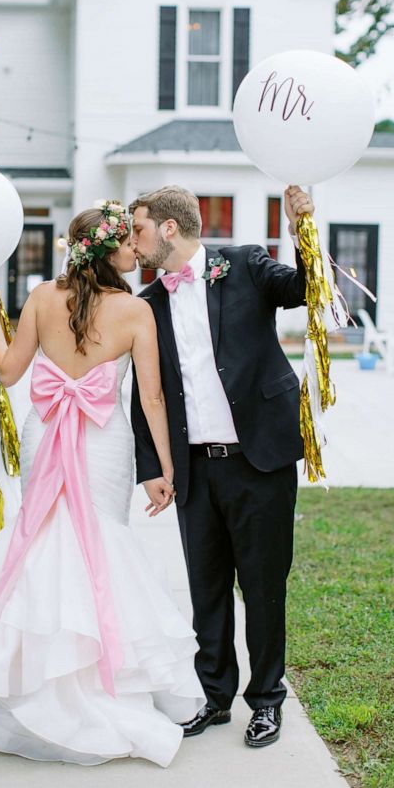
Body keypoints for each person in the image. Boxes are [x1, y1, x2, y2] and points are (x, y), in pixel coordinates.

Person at [0, 201, 205, 767]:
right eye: (126, 242)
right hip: (103, 440)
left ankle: (24, 682)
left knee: (42, 539)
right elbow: (151, 399)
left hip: (44, 429)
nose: (134, 251)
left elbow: (7, 371)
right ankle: (98, 682)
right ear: (109, 250)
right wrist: (166, 470)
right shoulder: (136, 312)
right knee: (97, 542)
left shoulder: (43, 298)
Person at [130, 184, 312, 749]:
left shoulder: (244, 263)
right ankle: (215, 697)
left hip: (259, 459)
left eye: (138, 230)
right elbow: (146, 392)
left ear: (167, 229)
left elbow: (305, 289)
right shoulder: (149, 304)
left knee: (261, 588)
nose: (132, 244)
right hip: (194, 470)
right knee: (205, 589)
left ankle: (266, 701)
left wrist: (304, 229)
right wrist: (151, 467)